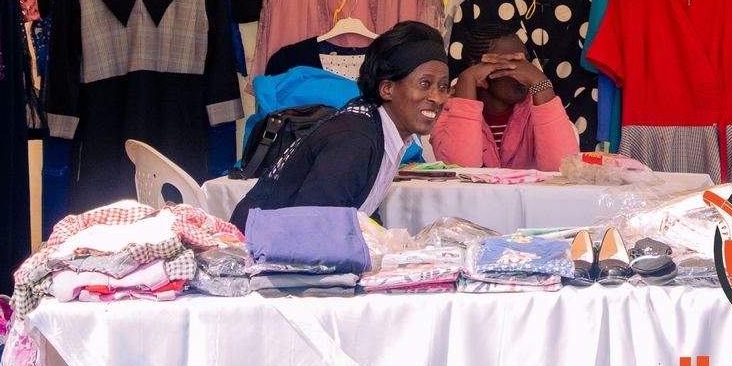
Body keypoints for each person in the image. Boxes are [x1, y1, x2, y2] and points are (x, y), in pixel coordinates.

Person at [229, 21, 450, 229]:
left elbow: (360, 212)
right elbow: (315, 225)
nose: (437, 98)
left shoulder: (377, 129)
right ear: (387, 89)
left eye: (443, 87)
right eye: (424, 84)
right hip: (258, 254)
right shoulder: (355, 139)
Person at [430, 27, 582, 170]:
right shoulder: (447, 112)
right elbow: (460, 171)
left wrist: (541, 83)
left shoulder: (536, 110)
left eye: (525, 63)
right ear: (478, 68)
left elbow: (563, 168)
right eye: (512, 62)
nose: (523, 72)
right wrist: (467, 79)